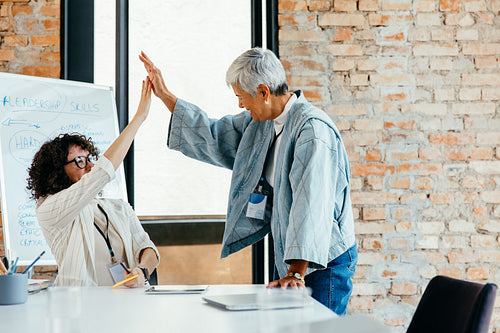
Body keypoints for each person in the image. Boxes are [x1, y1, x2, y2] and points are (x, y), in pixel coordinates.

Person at [140, 48, 357, 314]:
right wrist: (165, 96)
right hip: (296, 261)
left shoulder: (312, 132)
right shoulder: (263, 123)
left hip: (323, 261)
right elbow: (214, 135)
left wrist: (296, 274)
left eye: (241, 97)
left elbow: (311, 205)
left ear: (263, 92)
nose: (240, 105)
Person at [27, 78, 159, 287]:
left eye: (89, 159)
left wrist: (142, 271)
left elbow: (146, 247)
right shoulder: (49, 209)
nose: (90, 166)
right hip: (81, 311)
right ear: (56, 171)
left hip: (129, 305)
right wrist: (139, 118)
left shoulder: (118, 208)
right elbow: (100, 174)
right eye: (80, 161)